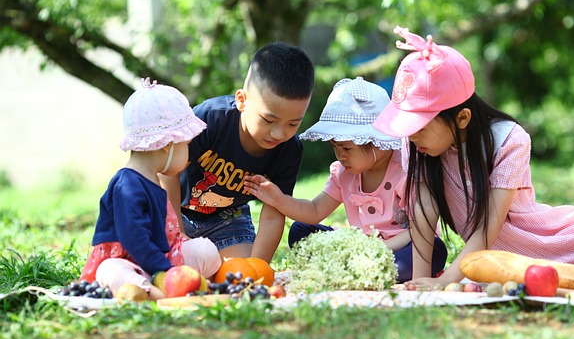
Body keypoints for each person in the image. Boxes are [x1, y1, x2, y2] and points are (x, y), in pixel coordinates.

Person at [372, 26, 574, 290]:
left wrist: (447, 280)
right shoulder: (417, 142)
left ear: (462, 118)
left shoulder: (509, 140)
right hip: (494, 262)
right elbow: (424, 211)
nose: (412, 135)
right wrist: (419, 282)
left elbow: (488, 227)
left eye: (420, 126)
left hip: (545, 242)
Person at [244, 77, 448, 282]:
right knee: (300, 231)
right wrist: (279, 200)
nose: (340, 156)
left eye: (346, 148)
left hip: (400, 247)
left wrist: (379, 248)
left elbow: (419, 228)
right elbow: (314, 211)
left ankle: (352, 269)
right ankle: (359, 270)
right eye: (335, 147)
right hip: (359, 248)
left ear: (375, 142)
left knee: (433, 251)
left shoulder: (404, 169)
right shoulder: (344, 173)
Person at [160, 43, 315, 263]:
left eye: (293, 123)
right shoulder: (209, 120)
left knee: (236, 274)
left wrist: (257, 268)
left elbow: (273, 214)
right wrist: (176, 231)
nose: (279, 133)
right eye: (268, 120)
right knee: (164, 263)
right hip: (177, 211)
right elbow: (167, 173)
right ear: (242, 100)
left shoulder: (289, 150)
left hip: (228, 221)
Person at [80, 78, 222, 300]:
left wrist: (169, 266)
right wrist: (163, 272)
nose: (190, 154)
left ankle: (169, 287)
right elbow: (134, 238)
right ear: (167, 145)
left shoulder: (153, 179)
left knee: (205, 250)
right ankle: (149, 291)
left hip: (161, 260)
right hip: (131, 263)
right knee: (110, 271)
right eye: (186, 144)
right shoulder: (127, 185)